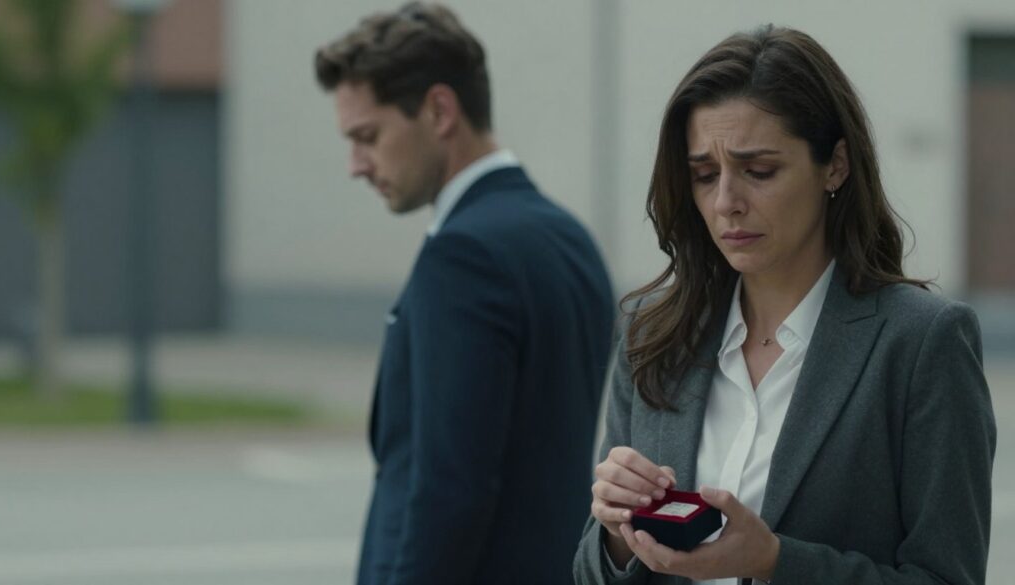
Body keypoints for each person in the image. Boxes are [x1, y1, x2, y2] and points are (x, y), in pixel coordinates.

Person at [574, 25, 996, 585]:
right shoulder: (652, 334)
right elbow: (592, 570)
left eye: (759, 171)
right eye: (704, 175)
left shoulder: (921, 343)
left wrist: (774, 561)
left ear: (835, 165)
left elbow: (947, 576)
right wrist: (615, 535)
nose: (726, 202)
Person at [314, 3, 615, 584]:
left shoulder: (461, 256)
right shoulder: (569, 238)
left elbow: (448, 491)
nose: (356, 165)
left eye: (368, 137)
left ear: (439, 110)